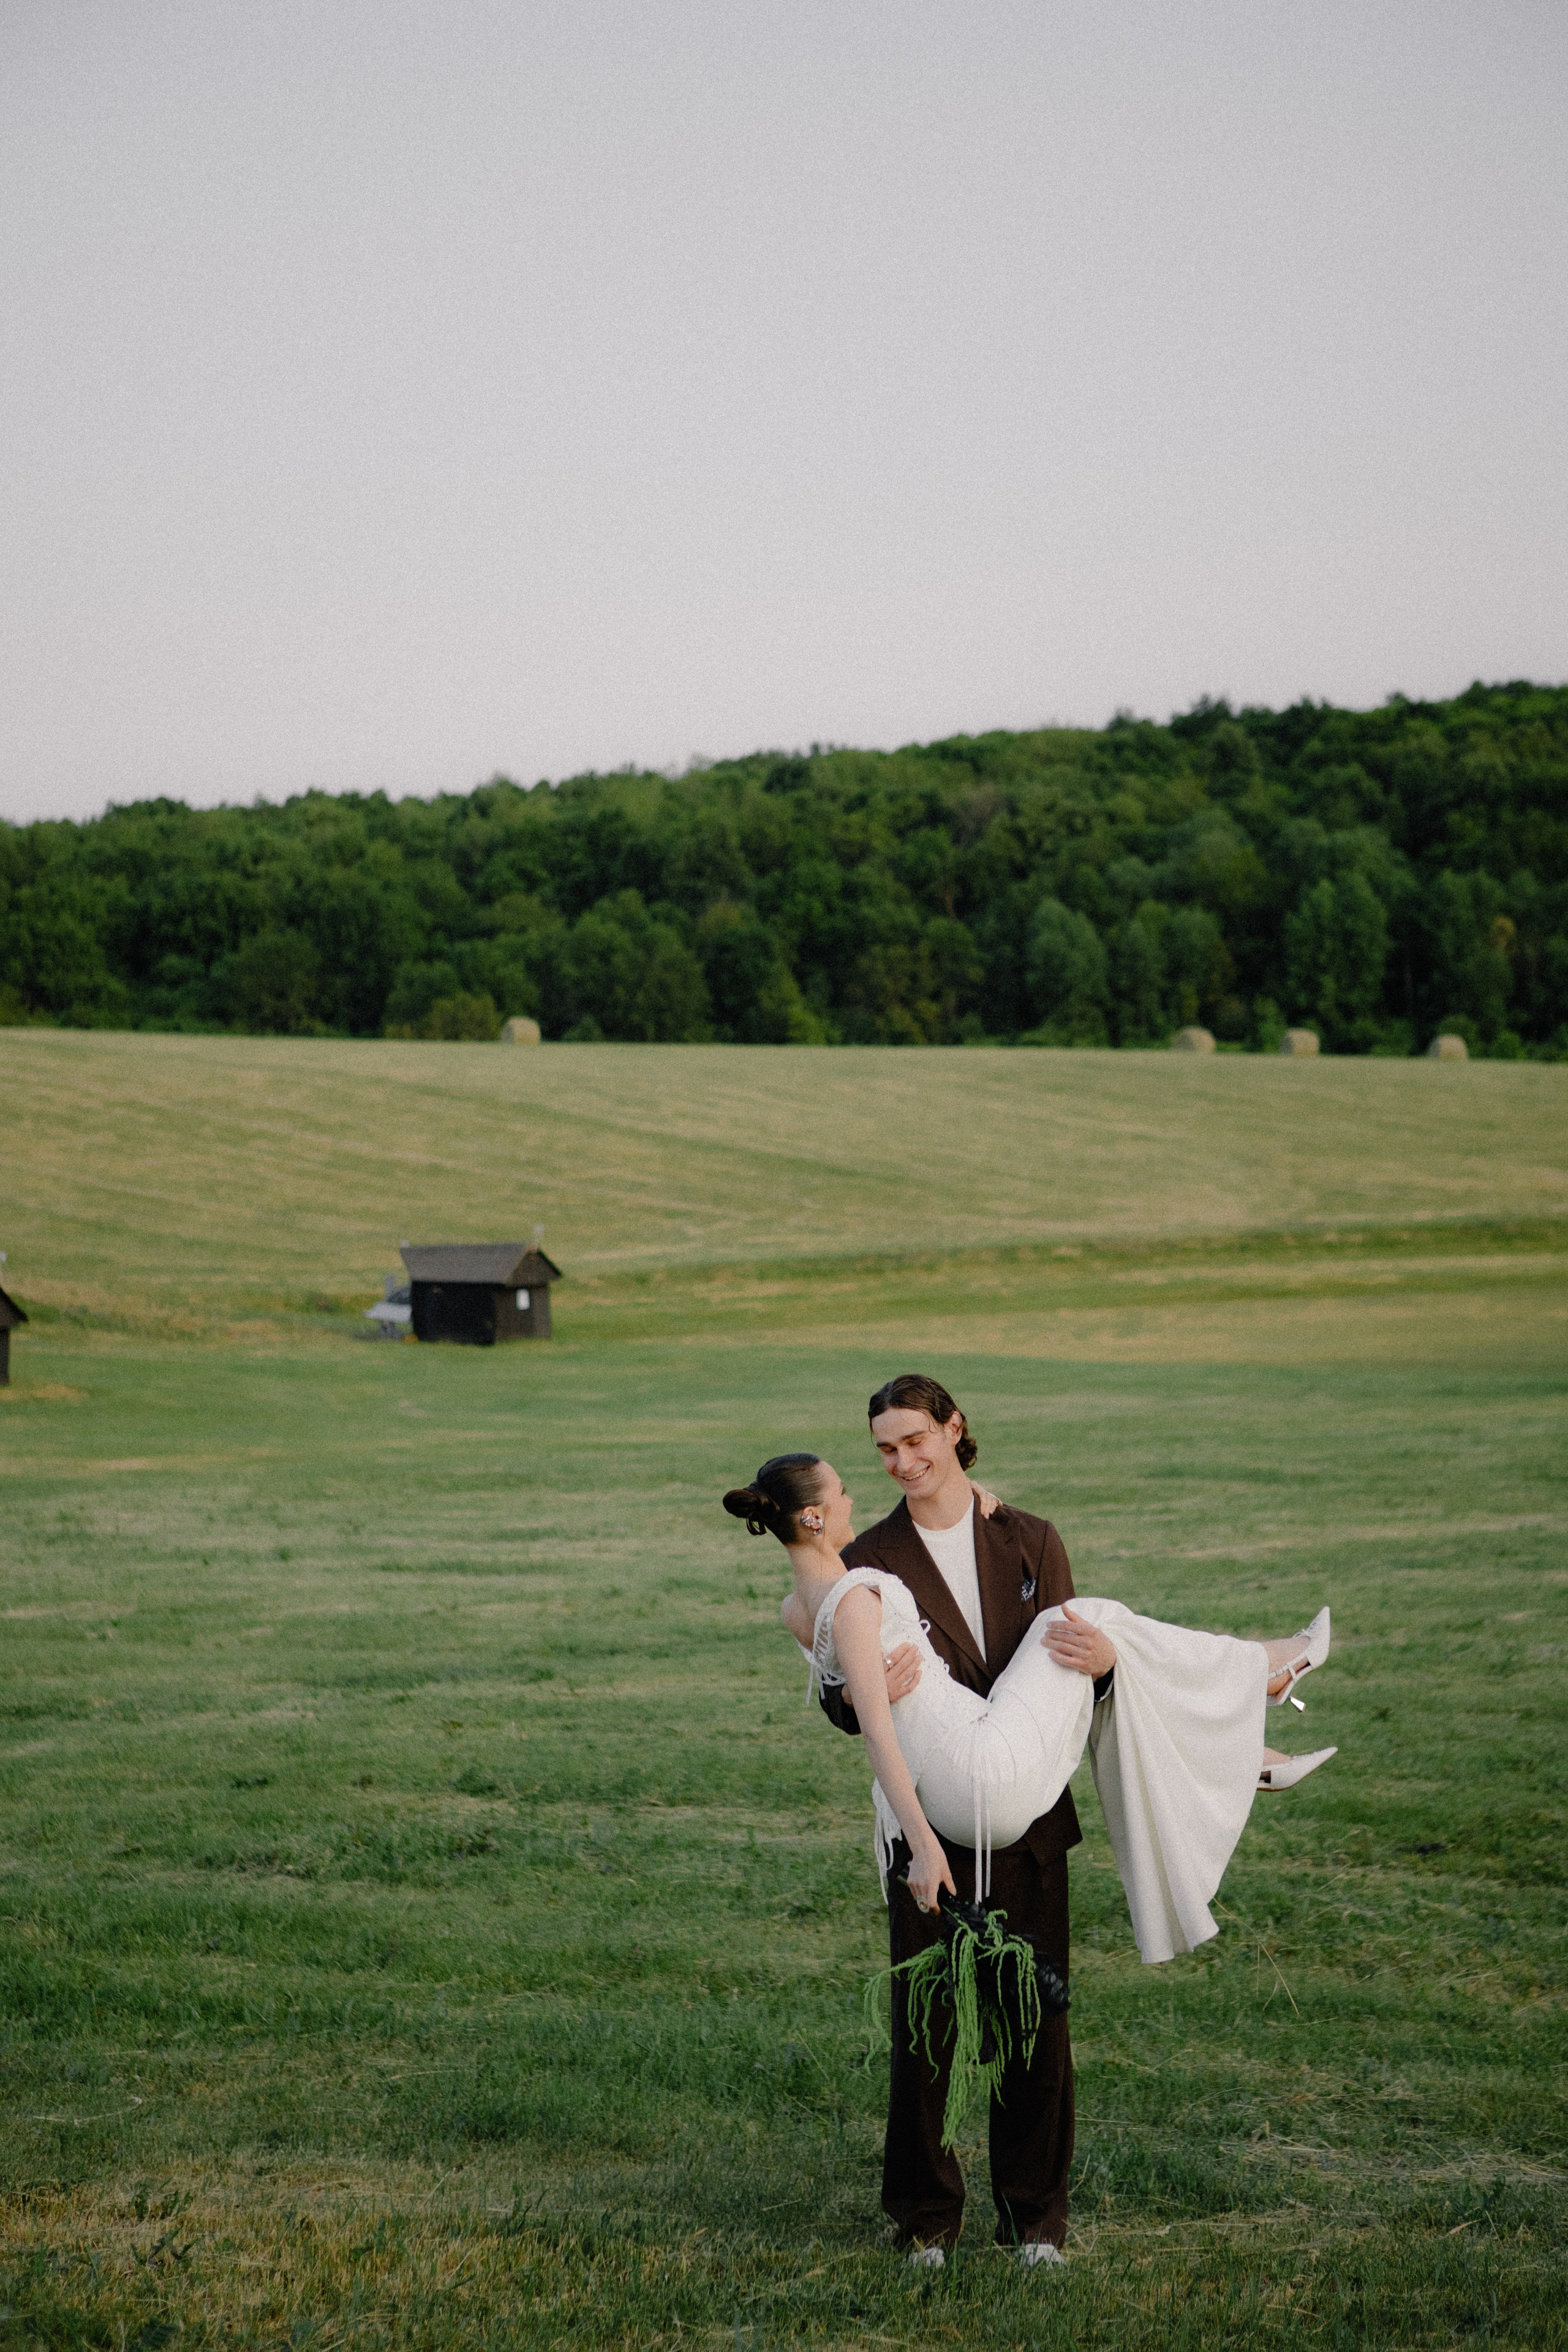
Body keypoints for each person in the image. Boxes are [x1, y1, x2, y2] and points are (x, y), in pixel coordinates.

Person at [721, 1376, 1333, 2267]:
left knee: (1036, 2029)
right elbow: (844, 1694)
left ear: (953, 1430)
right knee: (925, 2032)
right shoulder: (867, 1559)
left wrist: (1111, 1661)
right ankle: (925, 2222)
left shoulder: (1032, 1537)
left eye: (915, 1441)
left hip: (1030, 1811)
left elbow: (1071, 1680)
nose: (900, 1462)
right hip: (931, 1814)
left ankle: (1035, 2223)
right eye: (884, 1450)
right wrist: (859, 1698)